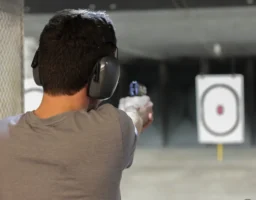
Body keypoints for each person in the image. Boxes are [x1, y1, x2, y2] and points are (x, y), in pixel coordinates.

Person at [0, 9, 153, 200]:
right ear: (106, 75)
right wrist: (136, 107)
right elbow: (134, 120)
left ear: (39, 66)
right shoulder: (114, 128)